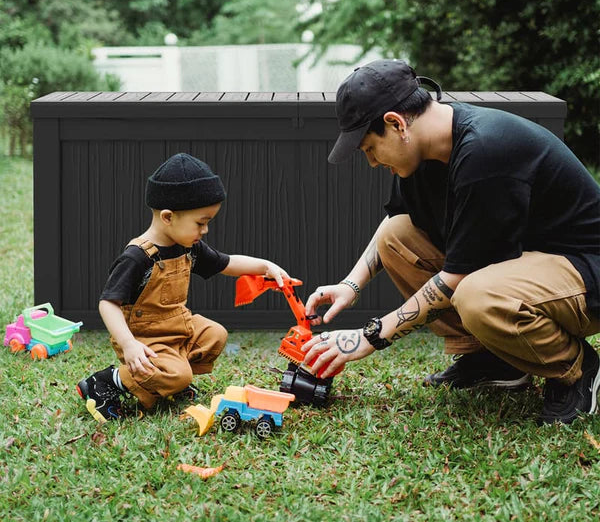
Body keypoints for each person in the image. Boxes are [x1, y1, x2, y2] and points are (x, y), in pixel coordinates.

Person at [302, 59, 600, 425]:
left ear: (396, 124)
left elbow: (457, 278)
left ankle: (575, 369)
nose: (372, 162)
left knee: (477, 295)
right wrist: (351, 284)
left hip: (585, 272)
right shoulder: (422, 151)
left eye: (369, 148)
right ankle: (496, 359)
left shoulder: (485, 151)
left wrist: (371, 336)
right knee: (398, 236)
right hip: (527, 263)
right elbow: (394, 223)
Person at [77, 153, 289, 423]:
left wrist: (264, 266)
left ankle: (168, 384)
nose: (205, 230)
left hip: (177, 327)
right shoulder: (137, 257)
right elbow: (108, 303)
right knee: (179, 373)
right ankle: (105, 382)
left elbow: (227, 263)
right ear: (168, 217)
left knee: (215, 334)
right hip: (145, 339)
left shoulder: (189, 247)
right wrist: (129, 344)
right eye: (201, 222)